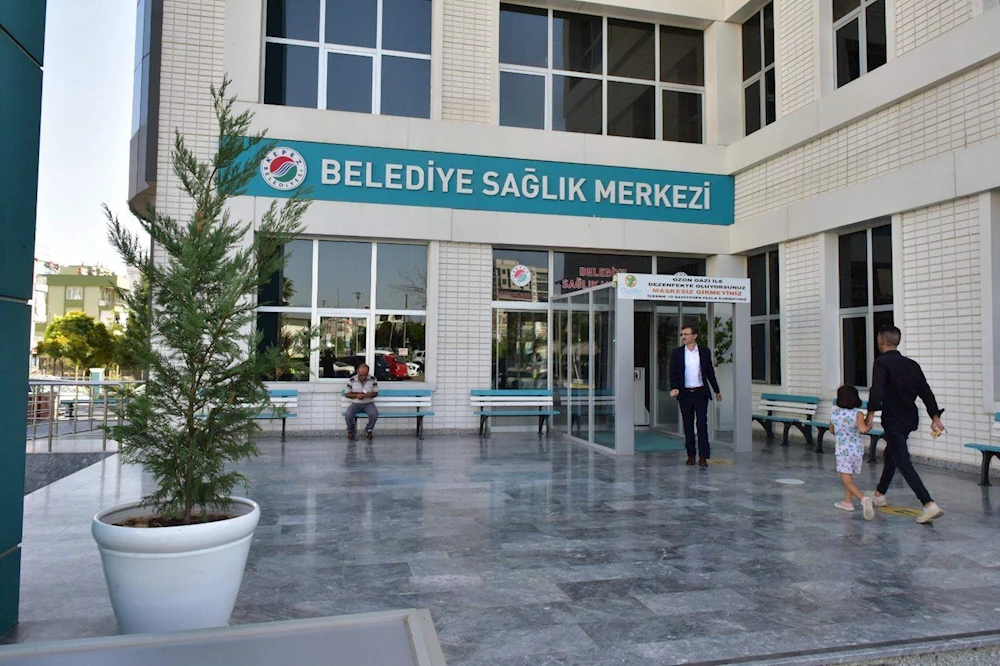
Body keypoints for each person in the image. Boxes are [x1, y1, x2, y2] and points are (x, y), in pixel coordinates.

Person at [865, 326, 946, 524]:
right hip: (909, 418)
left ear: (881, 341)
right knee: (892, 453)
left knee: (902, 459)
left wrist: (870, 414)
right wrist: (935, 417)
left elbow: (876, 391)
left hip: (893, 418)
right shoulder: (912, 365)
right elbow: (926, 392)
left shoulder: (881, 363)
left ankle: (928, 504)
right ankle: (879, 494)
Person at [669, 324, 722, 467]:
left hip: (700, 393)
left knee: (702, 424)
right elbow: (673, 372)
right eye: (682, 334)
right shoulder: (677, 353)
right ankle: (691, 455)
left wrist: (716, 390)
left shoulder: (704, 352)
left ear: (694, 336)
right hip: (685, 394)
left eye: (686, 334)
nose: (683, 337)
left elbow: (709, 372)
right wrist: (674, 388)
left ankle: (703, 456)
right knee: (688, 425)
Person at [829, 385, 875, 519]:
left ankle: (863, 499)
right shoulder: (858, 414)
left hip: (842, 451)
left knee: (846, 480)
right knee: (849, 476)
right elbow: (863, 429)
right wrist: (869, 425)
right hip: (856, 451)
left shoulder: (835, 413)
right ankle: (847, 502)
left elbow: (832, 430)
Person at [345, 363, 379, 442]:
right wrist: (357, 395)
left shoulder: (373, 379)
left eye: (365, 375)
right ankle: (350, 431)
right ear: (357, 372)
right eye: (361, 375)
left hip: (368, 403)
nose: (363, 377)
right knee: (348, 414)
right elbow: (347, 394)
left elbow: (376, 393)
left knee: (374, 414)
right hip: (355, 403)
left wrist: (367, 395)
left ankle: (368, 430)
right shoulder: (352, 380)